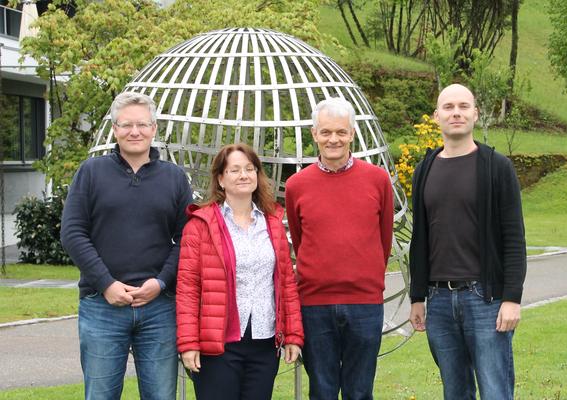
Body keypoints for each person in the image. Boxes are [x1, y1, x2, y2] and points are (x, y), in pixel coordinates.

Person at [60, 92, 192, 399]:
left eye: (142, 125)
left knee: (161, 395)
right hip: (101, 306)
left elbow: (187, 238)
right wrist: (107, 284)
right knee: (101, 395)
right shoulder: (91, 173)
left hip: (159, 308)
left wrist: (160, 283)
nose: (135, 131)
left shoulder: (174, 178)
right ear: (115, 128)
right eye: (127, 125)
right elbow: (73, 232)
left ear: (154, 128)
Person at [408, 83, 527, 400]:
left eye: (463, 106)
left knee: (495, 391)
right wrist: (417, 296)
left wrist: (512, 298)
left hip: (485, 299)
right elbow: (420, 239)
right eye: (448, 107)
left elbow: (514, 237)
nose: (456, 112)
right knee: (455, 391)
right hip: (439, 301)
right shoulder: (425, 169)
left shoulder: (496, 167)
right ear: (436, 116)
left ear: (475, 114)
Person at [285, 97, 394, 399]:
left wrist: (365, 275)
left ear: (352, 134)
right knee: (322, 389)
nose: (334, 139)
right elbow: (300, 237)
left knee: (360, 391)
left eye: (341, 132)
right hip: (315, 304)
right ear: (314, 134)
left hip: (364, 302)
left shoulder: (377, 180)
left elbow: (384, 239)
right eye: (326, 132)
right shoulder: (297, 185)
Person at [176, 143, 304, 400]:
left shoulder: (273, 224)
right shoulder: (200, 225)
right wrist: (188, 343)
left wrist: (293, 334)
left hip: (265, 342)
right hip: (218, 345)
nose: (243, 175)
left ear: (257, 175)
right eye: (234, 170)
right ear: (221, 179)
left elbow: (286, 284)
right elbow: (188, 288)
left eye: (249, 169)